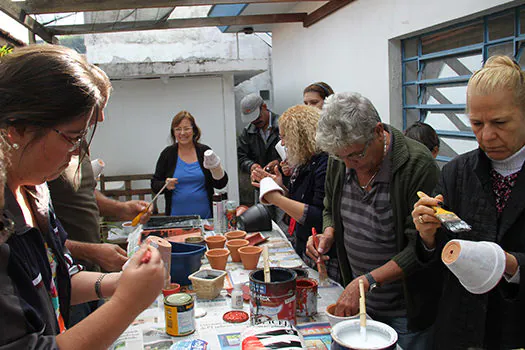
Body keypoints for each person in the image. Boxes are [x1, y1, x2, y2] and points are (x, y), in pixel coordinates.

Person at [0, 44, 164, 349]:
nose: (77, 152)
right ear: (18, 129)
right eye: (73, 137)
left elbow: (57, 280)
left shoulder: (34, 191)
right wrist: (128, 302)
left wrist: (121, 282)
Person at [306, 92, 440, 349]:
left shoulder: (417, 166)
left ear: (378, 132)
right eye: (340, 157)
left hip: (405, 313)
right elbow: (329, 208)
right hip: (359, 304)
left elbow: (421, 247)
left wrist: (366, 281)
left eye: (356, 156)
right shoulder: (342, 158)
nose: (348, 164)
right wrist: (328, 232)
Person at [412, 55, 525, 349]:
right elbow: (434, 262)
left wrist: (510, 265)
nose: (487, 136)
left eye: (500, 122)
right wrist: (427, 236)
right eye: (476, 123)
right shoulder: (457, 173)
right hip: (459, 329)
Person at [48, 64, 152, 326]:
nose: (102, 118)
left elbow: (82, 191)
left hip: (86, 273)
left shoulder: (76, 141)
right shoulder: (39, 165)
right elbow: (42, 242)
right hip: (64, 276)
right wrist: (91, 251)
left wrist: (120, 209)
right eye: (97, 105)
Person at [251, 105, 339, 282]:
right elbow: (301, 200)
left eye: (284, 137)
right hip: (304, 245)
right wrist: (280, 188)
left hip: (322, 253)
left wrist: (276, 199)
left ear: (300, 136)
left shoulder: (325, 163)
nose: (282, 143)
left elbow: (318, 215)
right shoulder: (306, 161)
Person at [151, 110, 228, 218]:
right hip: (176, 220)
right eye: (178, 129)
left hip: (206, 219)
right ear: (173, 132)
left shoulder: (204, 152)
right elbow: (154, 185)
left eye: (186, 128)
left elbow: (221, 183)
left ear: (194, 130)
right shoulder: (167, 154)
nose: (182, 133)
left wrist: (217, 169)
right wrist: (165, 185)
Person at [237, 93, 282, 177]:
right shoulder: (247, 132)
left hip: (284, 182)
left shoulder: (284, 126)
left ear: (264, 107)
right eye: (251, 119)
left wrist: (279, 163)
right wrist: (251, 166)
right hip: (261, 183)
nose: (255, 121)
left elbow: (295, 154)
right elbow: (241, 157)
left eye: (257, 117)